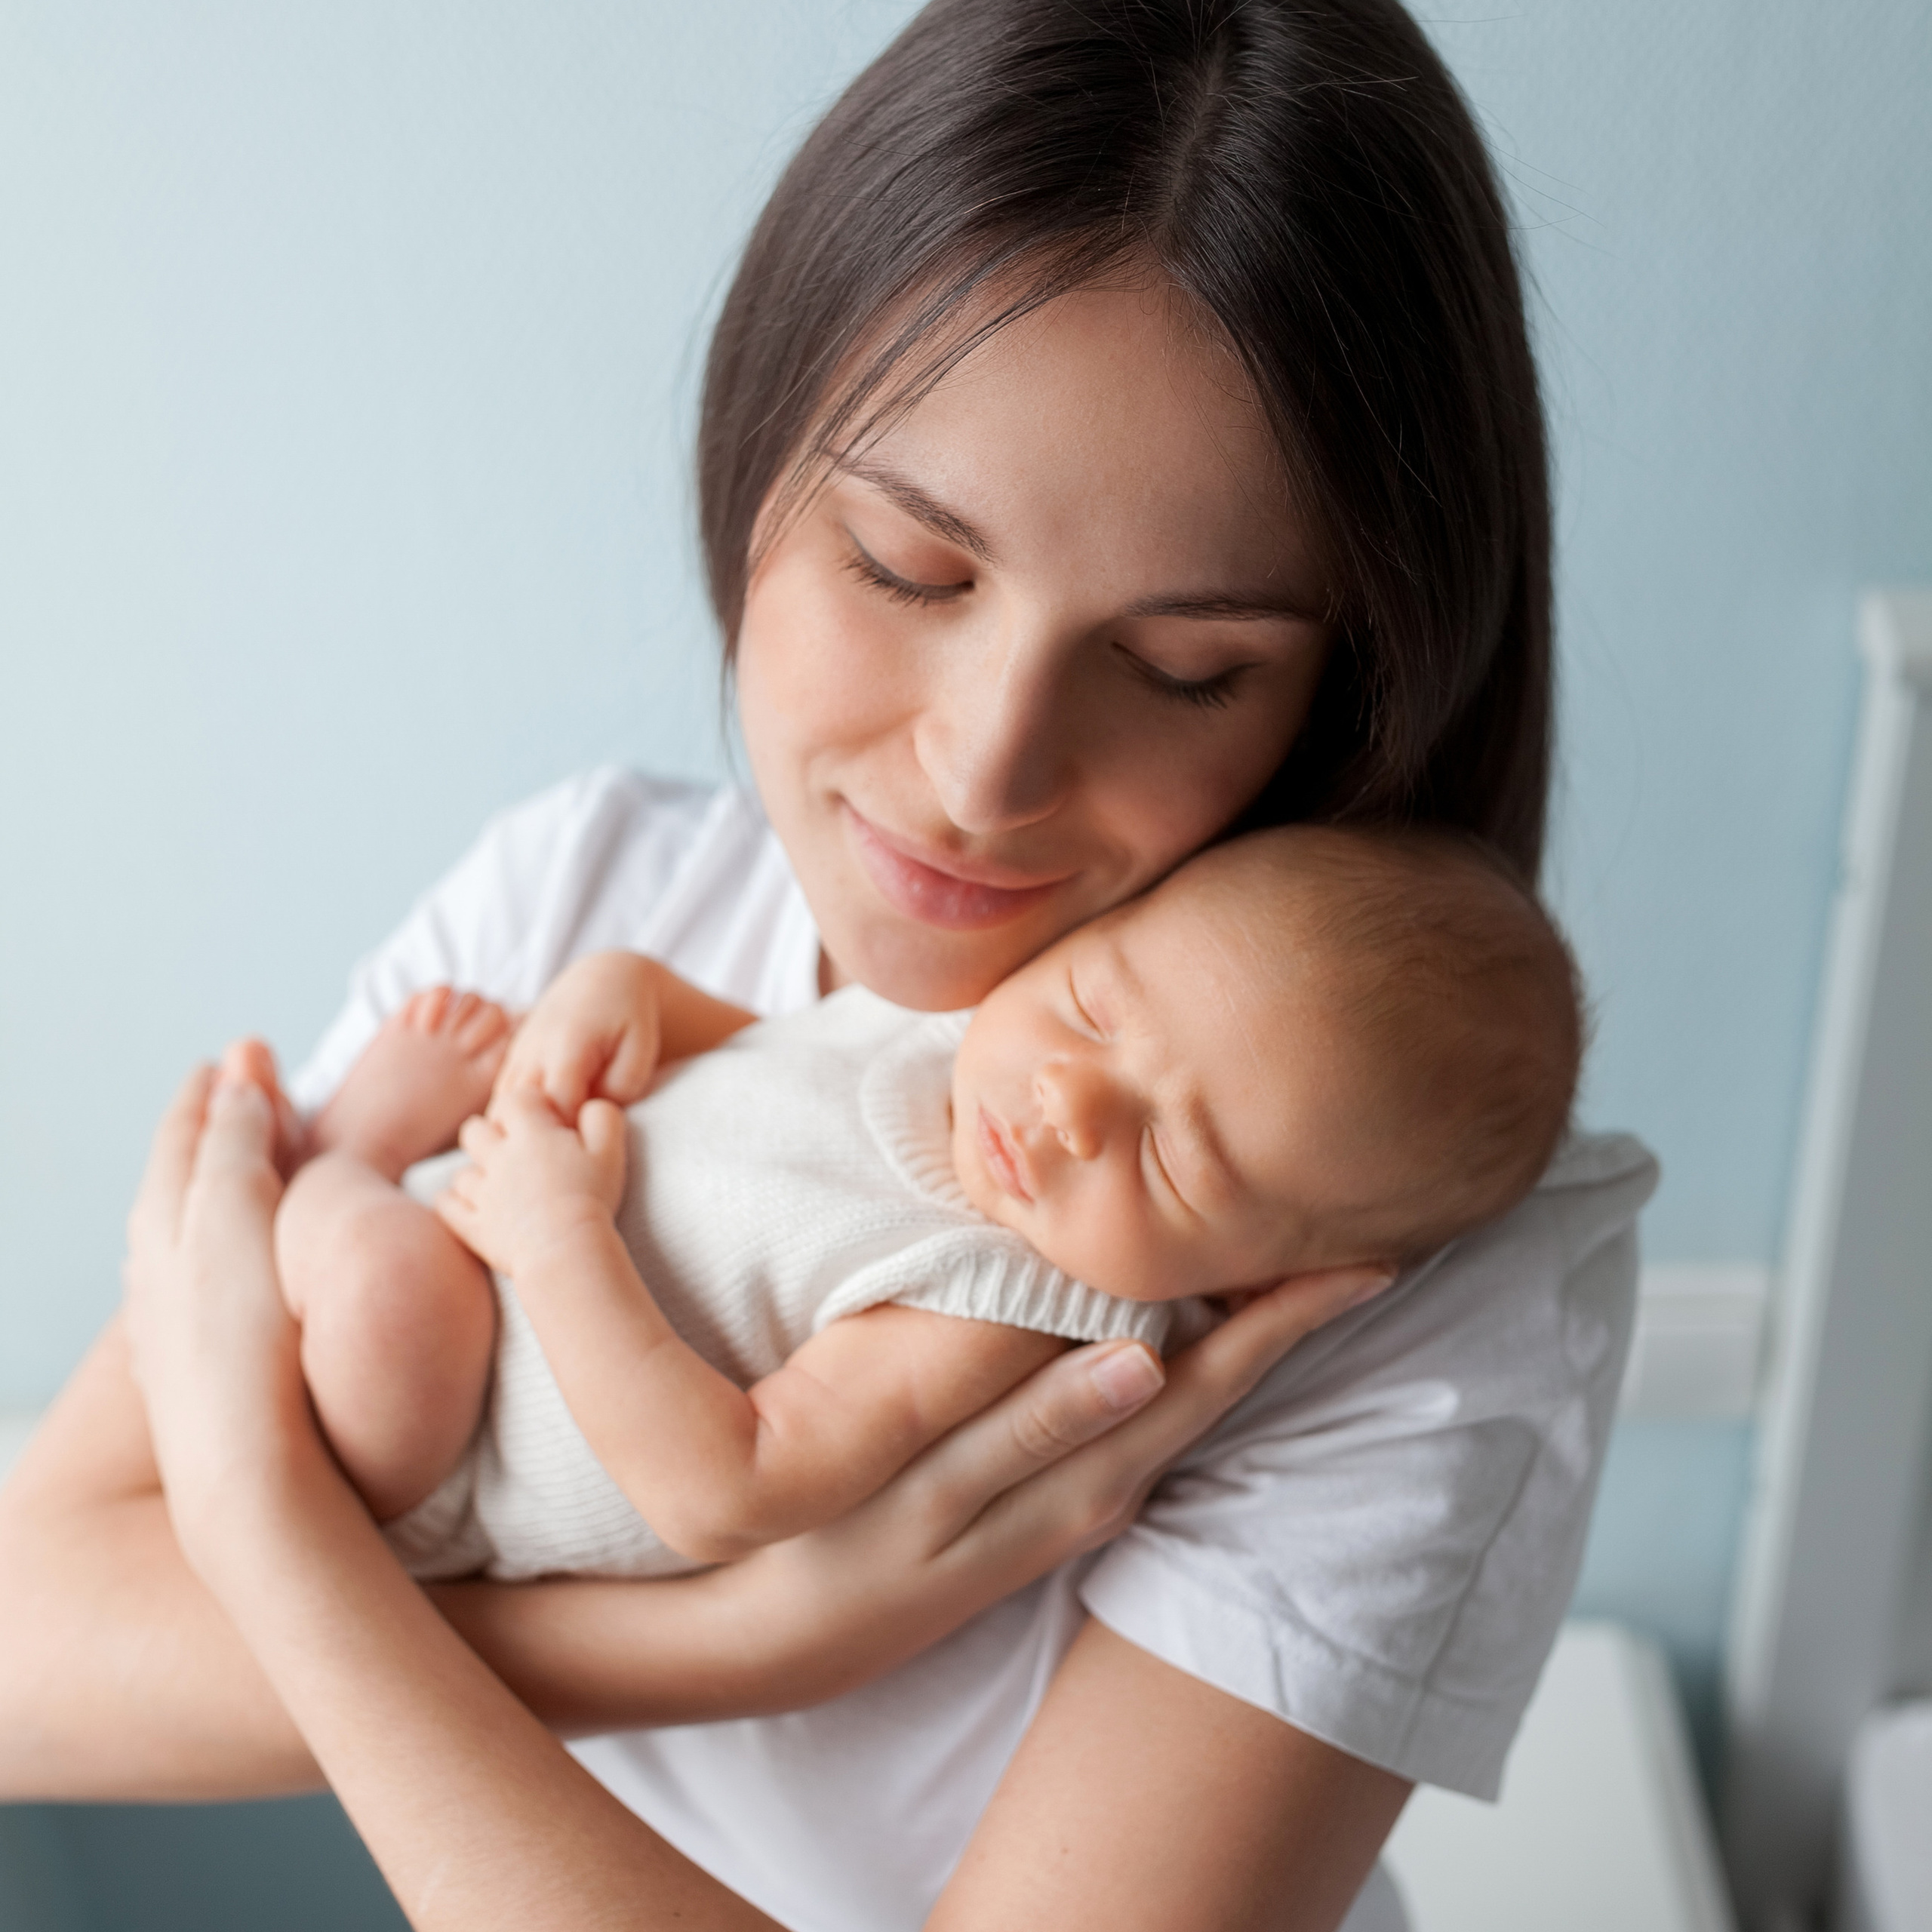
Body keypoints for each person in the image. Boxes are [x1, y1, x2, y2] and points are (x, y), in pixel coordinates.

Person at [0, 4, 1660, 1929]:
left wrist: (269, 1529)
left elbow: (166, 1556)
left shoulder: (1359, 1253)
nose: (980, 773)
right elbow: (24, 1644)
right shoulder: (582, 888)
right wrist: (710, 1646)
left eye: (1183, 667)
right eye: (908, 566)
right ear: (759, 440)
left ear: (1341, 691)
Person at [268, 826, 1580, 1585]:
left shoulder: (998, 1306)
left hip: (448, 1452)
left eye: (1179, 1161)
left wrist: (561, 1245)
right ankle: (348, 1185)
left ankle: (338, 1163)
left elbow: (725, 1489)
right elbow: (742, 1052)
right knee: (397, 1256)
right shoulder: (934, 1037)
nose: (1071, 1103)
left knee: (386, 1294)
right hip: (492, 1211)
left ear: (1247, 1281)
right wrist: (626, 992)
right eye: (1095, 1005)